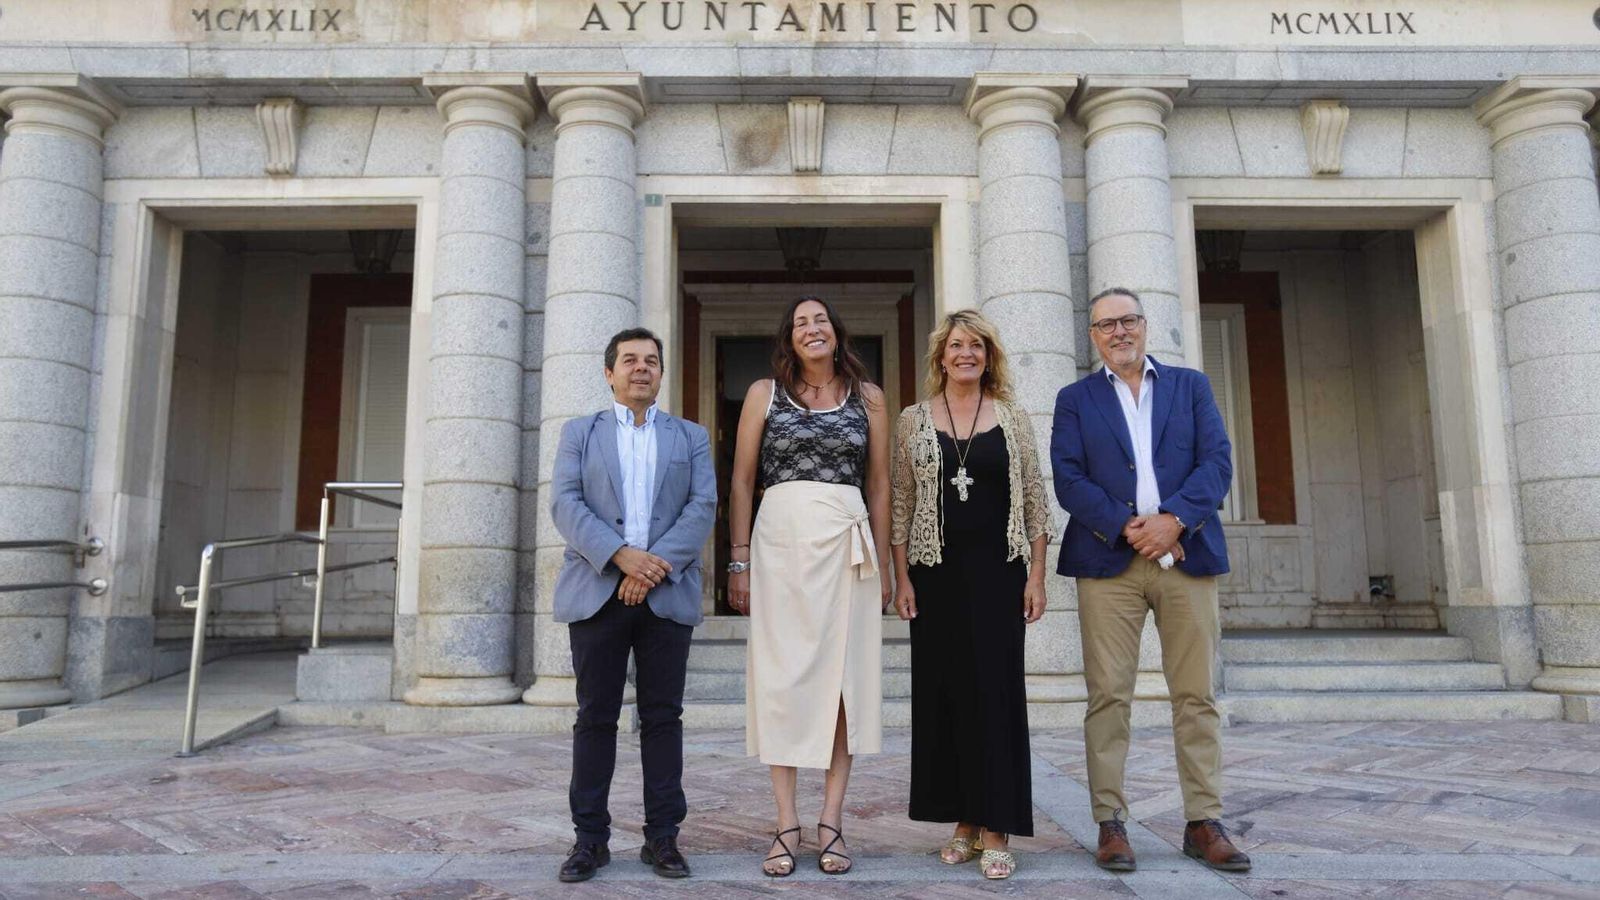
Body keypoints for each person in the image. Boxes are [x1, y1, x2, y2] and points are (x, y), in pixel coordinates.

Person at [1049, 288, 1251, 874]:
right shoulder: (1075, 398)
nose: (1118, 332)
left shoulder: (1191, 387)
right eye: (1106, 324)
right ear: (1093, 336)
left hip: (1186, 554)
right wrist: (1127, 526)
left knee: (1196, 695)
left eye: (1128, 320)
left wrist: (1174, 520)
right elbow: (1068, 476)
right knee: (1108, 694)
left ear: (1144, 325)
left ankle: (1203, 822)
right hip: (1107, 561)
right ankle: (1111, 823)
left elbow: (1217, 462)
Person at [726, 296, 893, 878]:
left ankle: (832, 823)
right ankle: (785, 824)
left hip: (848, 552)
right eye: (800, 322)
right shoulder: (761, 394)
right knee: (783, 683)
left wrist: (888, 566)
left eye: (820, 319)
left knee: (842, 684)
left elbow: (879, 485)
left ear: (836, 332)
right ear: (789, 339)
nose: (811, 328)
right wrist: (739, 560)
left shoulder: (870, 398)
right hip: (778, 549)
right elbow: (743, 481)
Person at [549, 328, 716, 884]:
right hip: (598, 591)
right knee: (595, 718)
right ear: (609, 373)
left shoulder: (689, 436)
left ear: (661, 373)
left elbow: (702, 506)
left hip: (665, 594)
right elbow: (566, 504)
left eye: (651, 361)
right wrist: (621, 558)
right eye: (629, 360)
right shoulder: (579, 433)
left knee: (662, 718)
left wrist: (650, 569)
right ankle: (589, 841)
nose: (641, 368)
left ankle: (663, 839)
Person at [890, 309, 1050, 880]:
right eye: (956, 346)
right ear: (941, 356)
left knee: (996, 693)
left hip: (999, 572)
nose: (966, 354)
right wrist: (901, 577)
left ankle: (997, 825)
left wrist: (1037, 576)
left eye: (976, 346)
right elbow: (902, 504)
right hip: (934, 574)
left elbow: (1034, 498)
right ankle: (962, 820)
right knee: (945, 695)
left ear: (988, 356)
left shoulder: (1011, 417)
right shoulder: (912, 419)